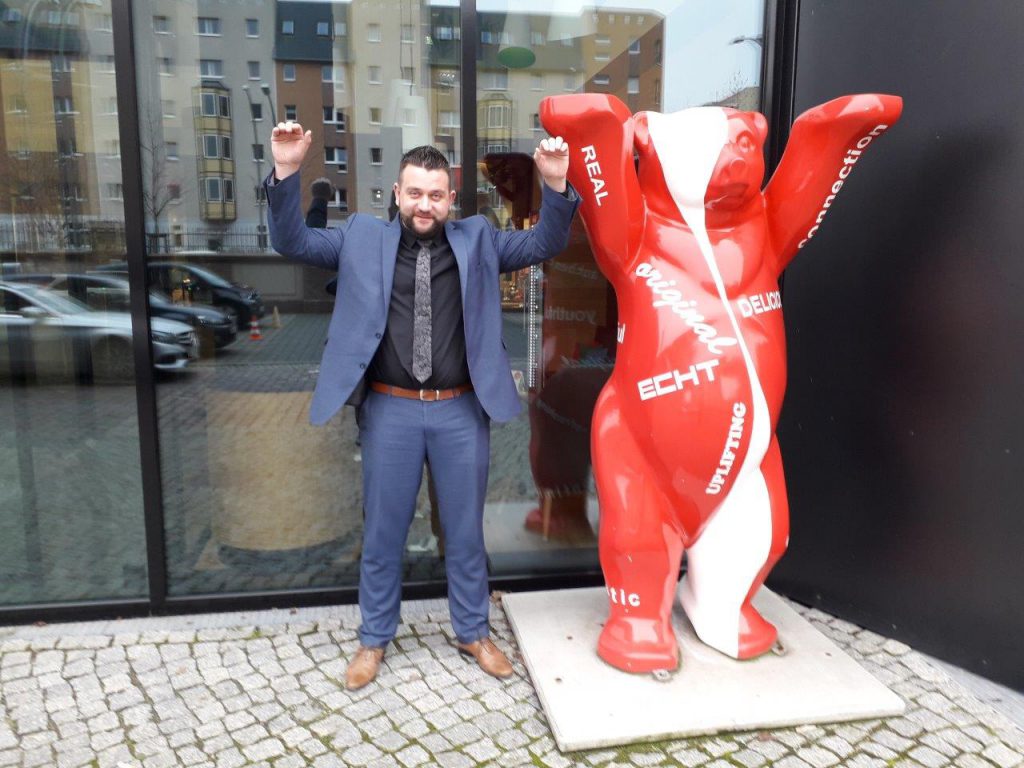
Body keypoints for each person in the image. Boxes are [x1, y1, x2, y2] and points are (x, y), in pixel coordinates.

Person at [265, 122, 577, 690]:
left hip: (460, 412)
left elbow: (545, 243)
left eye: (435, 194)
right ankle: (373, 639)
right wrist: (287, 170)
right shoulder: (360, 237)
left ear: (450, 198)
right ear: (397, 193)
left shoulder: (479, 239)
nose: (424, 205)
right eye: (415, 193)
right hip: (391, 411)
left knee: (464, 532)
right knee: (383, 532)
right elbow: (292, 242)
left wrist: (554, 184)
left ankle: (473, 630)